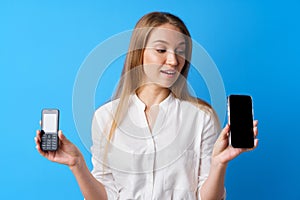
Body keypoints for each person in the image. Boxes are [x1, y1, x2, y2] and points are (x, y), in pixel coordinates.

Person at [34, 12, 258, 200]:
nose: (173, 60)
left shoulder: (201, 117)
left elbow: (207, 197)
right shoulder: (105, 118)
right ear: (139, 53)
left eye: (180, 51)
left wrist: (219, 163)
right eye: (161, 50)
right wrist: (77, 164)